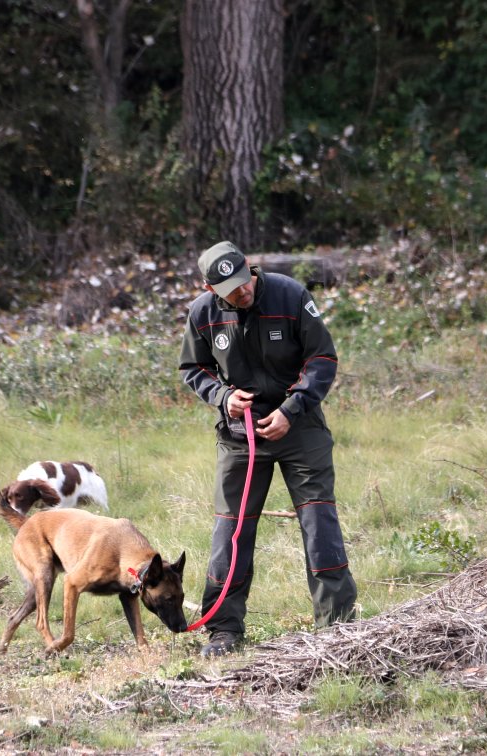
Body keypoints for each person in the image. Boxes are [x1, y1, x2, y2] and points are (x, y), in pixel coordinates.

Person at [179, 241, 358, 657]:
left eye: (244, 284)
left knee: (319, 523)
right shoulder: (201, 314)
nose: (242, 294)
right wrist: (223, 397)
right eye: (230, 291)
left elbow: (322, 358)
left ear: (251, 270)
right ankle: (223, 629)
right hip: (240, 437)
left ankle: (337, 627)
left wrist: (291, 410)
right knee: (232, 530)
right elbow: (194, 368)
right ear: (209, 288)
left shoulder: (290, 295)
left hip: (299, 428)